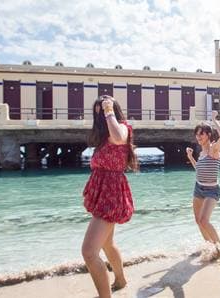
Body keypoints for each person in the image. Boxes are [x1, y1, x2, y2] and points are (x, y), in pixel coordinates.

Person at [82, 95, 138, 298]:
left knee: (89, 252)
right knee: (107, 243)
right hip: (103, 193)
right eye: (98, 109)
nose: (101, 112)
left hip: (111, 195)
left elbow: (119, 138)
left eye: (104, 108)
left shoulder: (122, 127)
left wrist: (109, 110)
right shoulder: (103, 138)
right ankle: (121, 279)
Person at [186, 110, 220, 259]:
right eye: (197, 134)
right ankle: (209, 246)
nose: (198, 137)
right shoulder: (202, 153)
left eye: (201, 134)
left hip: (211, 190)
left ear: (208, 135)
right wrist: (190, 157)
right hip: (198, 188)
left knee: (204, 220)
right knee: (198, 221)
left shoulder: (213, 149)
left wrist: (215, 120)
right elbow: (198, 170)